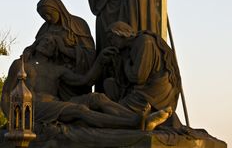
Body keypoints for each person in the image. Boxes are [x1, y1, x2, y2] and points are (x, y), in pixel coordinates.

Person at [1, 35, 172, 132]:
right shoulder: (22, 64)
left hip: (53, 103)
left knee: (96, 98)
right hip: (34, 108)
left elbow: (85, 80)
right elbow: (6, 93)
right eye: (45, 41)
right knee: (79, 110)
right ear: (36, 44)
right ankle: (135, 124)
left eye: (53, 44)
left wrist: (100, 61)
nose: (48, 44)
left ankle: (137, 118)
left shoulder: (57, 69)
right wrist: (13, 122)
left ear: (56, 50)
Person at [24, 0, 95, 99]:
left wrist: (64, 50)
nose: (47, 18)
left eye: (49, 14)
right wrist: (28, 51)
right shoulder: (45, 28)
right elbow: (36, 45)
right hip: (51, 78)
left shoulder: (78, 24)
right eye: (43, 16)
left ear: (58, 9)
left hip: (72, 75)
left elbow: (89, 53)